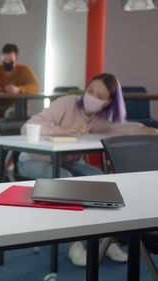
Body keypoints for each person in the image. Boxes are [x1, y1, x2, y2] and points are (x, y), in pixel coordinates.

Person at [17, 72, 158, 267]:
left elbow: (120, 129)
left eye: (100, 96)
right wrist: (63, 129)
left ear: (108, 102)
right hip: (32, 159)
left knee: (100, 178)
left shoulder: (99, 119)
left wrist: (147, 130)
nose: (92, 98)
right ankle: (73, 243)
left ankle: (105, 240)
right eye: (90, 91)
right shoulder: (66, 103)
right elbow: (28, 127)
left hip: (64, 162)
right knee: (64, 180)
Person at [0, 43, 40, 117]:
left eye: (10, 60)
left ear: (16, 60)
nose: (7, 62)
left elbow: (36, 86)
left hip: (15, 105)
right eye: (4, 60)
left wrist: (19, 89)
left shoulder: (25, 70)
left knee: (11, 114)